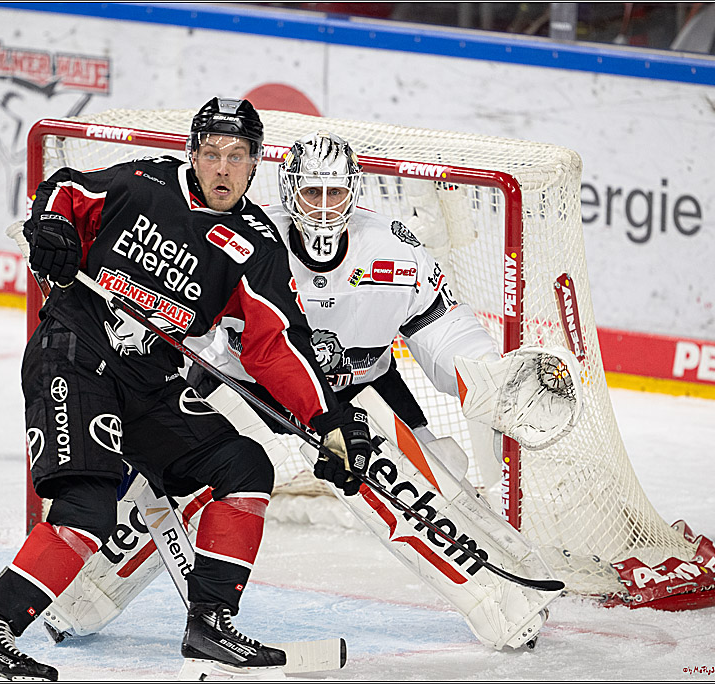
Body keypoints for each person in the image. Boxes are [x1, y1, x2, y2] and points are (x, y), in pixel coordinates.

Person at [39, 131, 582, 653]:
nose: (323, 206)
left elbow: (441, 325)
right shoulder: (249, 238)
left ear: (355, 193)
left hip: (348, 399)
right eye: (311, 192)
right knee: (176, 488)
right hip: (245, 387)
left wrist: (487, 373)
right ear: (288, 190)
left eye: (335, 192)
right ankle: (75, 602)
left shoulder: (393, 249)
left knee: (415, 490)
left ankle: (510, 606)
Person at [0, 98, 372, 681]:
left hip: (150, 385)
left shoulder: (256, 245)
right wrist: (50, 223)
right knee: (88, 510)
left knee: (243, 465)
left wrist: (326, 420)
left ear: (256, 164)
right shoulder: (143, 184)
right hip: (75, 355)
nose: (222, 168)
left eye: (237, 156)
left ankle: (211, 625)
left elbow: (275, 345)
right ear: (192, 154)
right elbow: (66, 191)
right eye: (210, 153)